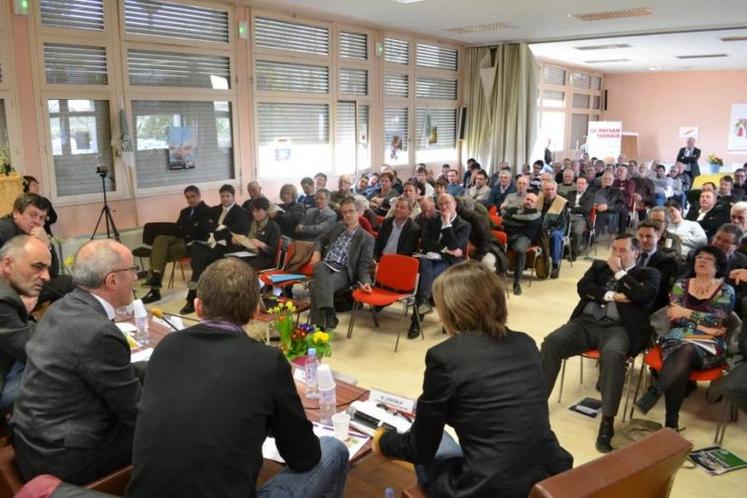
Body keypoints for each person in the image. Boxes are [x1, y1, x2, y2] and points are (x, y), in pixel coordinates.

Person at [126, 258, 348, 498]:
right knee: (332, 448)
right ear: (255, 311)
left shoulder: (167, 346)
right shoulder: (267, 362)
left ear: (198, 307)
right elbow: (305, 457)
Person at [374, 262, 572, 497]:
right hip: (548, 474)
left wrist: (382, 441)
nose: (439, 318)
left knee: (428, 442)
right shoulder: (526, 344)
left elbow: (420, 448)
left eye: (441, 309)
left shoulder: (445, 358)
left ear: (455, 311)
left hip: (487, 488)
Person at [12, 239, 142, 484]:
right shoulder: (100, 332)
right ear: (112, 280)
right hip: (63, 458)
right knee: (171, 429)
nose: (136, 277)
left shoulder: (62, 306)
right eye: (132, 269)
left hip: (31, 440)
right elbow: (133, 411)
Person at [541, 234, 661, 453]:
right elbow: (583, 288)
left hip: (618, 329)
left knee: (614, 355)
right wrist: (614, 296)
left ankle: (607, 421)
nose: (616, 254)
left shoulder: (648, 274)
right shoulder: (598, 267)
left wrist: (620, 273)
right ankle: (537, 404)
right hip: (585, 323)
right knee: (552, 342)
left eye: (623, 250)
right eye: (614, 249)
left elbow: (642, 295)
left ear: (636, 252)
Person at [634, 246, 734, 430]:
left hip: (709, 347)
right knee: (683, 355)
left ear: (718, 265)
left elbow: (717, 322)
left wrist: (687, 313)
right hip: (677, 338)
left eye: (708, 259)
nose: (702, 261)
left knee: (685, 352)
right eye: (699, 257)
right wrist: (705, 326)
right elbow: (674, 315)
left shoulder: (725, 291)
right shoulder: (681, 285)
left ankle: (657, 393)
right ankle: (671, 423)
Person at [182, 184, 251, 315]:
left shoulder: (242, 212)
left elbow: (236, 232)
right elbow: (203, 225)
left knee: (205, 261)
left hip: (227, 245)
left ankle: (193, 297)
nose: (224, 199)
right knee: (197, 250)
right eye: (222, 196)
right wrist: (221, 227)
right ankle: (197, 286)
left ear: (233, 196)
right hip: (210, 242)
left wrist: (216, 229)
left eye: (227, 196)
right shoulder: (213, 210)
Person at [0, 236, 50, 414]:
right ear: (7, 265)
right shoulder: (3, 299)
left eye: (47, 268)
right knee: (63, 371)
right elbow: (30, 348)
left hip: (7, 363)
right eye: (38, 266)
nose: (46, 276)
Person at [409, 194, 470, 338]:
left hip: (449, 263)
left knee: (426, 277)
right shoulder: (433, 221)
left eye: (447, 203)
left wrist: (447, 223)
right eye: (440, 204)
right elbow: (424, 242)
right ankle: (423, 303)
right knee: (424, 262)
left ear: (454, 204)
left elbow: (455, 244)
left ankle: (417, 318)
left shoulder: (464, 225)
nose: (443, 207)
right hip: (430, 258)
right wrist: (445, 249)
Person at [308, 197, 374, 331]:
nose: (348, 215)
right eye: (344, 212)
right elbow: (320, 239)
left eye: (351, 211)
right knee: (320, 267)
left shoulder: (367, 238)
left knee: (315, 284)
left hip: (344, 271)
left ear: (359, 213)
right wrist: (316, 252)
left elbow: (364, 265)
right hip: (326, 266)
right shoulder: (339, 227)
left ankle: (321, 323)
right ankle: (328, 319)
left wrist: (366, 281)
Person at [141, 185, 210, 304]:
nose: (190, 200)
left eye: (193, 196)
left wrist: (186, 229)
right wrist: (186, 229)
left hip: (192, 243)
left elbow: (199, 231)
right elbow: (178, 229)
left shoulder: (207, 210)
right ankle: (156, 278)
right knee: (160, 239)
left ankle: (154, 289)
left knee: (157, 254)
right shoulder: (184, 211)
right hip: (180, 238)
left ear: (199, 196)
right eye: (187, 197)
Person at [0, 194, 73, 305]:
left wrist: (47, 245)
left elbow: (52, 274)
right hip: (8, 289)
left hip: (27, 285)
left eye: (42, 218)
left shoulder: (38, 234)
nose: (37, 222)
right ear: (16, 213)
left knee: (67, 282)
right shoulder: (3, 228)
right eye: (33, 215)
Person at [503, 193, 542, 295]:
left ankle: (517, 282)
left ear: (536, 204)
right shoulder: (513, 209)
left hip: (524, 237)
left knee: (520, 250)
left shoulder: (536, 215)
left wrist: (512, 222)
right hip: (508, 236)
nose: (528, 202)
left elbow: (531, 224)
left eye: (531, 201)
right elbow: (504, 220)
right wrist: (519, 225)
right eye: (527, 199)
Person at [636, 221, 679, 311]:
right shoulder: (631, 254)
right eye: (640, 236)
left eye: (649, 236)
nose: (644, 240)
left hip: (649, 305)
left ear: (658, 237)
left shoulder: (666, 261)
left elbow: (655, 290)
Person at [231, 197, 281, 271]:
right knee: (230, 261)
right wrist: (238, 242)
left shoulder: (273, 227)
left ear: (266, 210)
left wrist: (261, 245)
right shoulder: (250, 223)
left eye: (258, 211)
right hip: (248, 254)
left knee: (241, 267)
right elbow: (244, 240)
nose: (255, 214)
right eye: (253, 211)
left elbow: (273, 251)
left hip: (263, 258)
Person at [540, 181, 568, 279]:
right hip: (541, 228)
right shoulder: (539, 200)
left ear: (556, 190)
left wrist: (549, 230)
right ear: (543, 191)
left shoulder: (561, 202)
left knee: (555, 236)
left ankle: (555, 266)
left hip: (557, 229)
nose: (550, 192)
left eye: (552, 189)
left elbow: (562, 223)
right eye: (547, 189)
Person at [566, 176, 594, 258]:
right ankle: (562, 252)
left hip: (581, 218)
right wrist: (576, 209)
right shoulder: (570, 193)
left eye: (582, 183)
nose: (580, 185)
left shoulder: (590, 196)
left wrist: (572, 209)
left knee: (577, 232)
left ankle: (574, 254)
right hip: (568, 216)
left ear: (586, 185)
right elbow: (567, 206)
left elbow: (586, 209)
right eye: (578, 183)